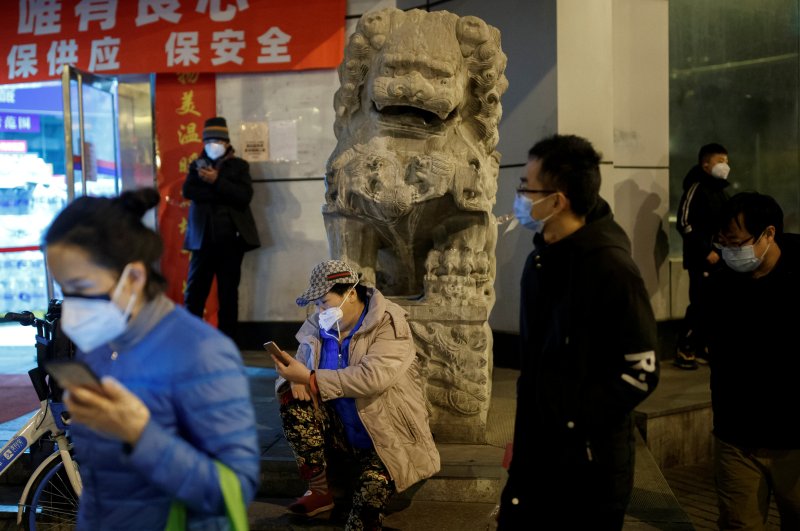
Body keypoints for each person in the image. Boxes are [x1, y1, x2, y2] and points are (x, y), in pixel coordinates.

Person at [44, 188, 260, 530]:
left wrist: (139, 434)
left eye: (81, 288)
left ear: (134, 277)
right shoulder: (98, 344)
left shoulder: (202, 351)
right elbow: (99, 487)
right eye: (62, 290)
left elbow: (234, 490)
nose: (71, 305)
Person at [498, 134, 659, 530]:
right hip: (539, 455)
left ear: (557, 200)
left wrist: (569, 420)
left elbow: (641, 371)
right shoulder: (543, 256)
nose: (518, 196)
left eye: (526, 188)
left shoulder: (609, 267)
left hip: (588, 468)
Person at [270, 259, 440, 530]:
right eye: (317, 304)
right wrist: (294, 381)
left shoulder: (388, 324)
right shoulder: (319, 326)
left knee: (360, 520)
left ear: (350, 294)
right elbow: (298, 370)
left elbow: (373, 378)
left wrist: (312, 379)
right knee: (292, 399)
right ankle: (319, 490)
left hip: (386, 436)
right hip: (341, 431)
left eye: (324, 302)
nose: (319, 310)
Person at [704, 191, 800, 529]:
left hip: (795, 439)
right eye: (721, 242)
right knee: (738, 524)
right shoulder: (719, 284)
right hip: (737, 437)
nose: (728, 251)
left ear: (768, 234)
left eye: (736, 242)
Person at [183, 116, 260, 339]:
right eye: (209, 140)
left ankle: (228, 342)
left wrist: (217, 180)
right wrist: (221, 190)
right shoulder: (196, 165)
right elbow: (189, 192)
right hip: (202, 241)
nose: (213, 144)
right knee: (195, 292)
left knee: (228, 294)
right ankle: (192, 339)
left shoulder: (239, 166)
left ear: (227, 142)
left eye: (218, 140)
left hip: (231, 241)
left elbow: (244, 196)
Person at [675, 143, 731, 369]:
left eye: (726, 161)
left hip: (719, 258)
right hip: (702, 260)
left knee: (714, 304)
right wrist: (705, 251)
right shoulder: (696, 188)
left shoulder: (720, 191)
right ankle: (684, 348)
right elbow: (684, 222)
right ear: (705, 164)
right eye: (720, 161)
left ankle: (704, 347)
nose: (725, 166)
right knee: (699, 303)